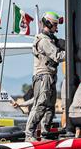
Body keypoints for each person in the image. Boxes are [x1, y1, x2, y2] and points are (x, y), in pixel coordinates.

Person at [25, 12, 66, 141]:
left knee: (50, 106)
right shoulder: (44, 41)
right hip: (43, 76)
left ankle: (45, 134)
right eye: (55, 25)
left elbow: (60, 43)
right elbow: (58, 56)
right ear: (48, 23)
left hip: (50, 75)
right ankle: (29, 134)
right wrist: (70, 50)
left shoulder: (51, 39)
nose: (57, 28)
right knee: (41, 105)